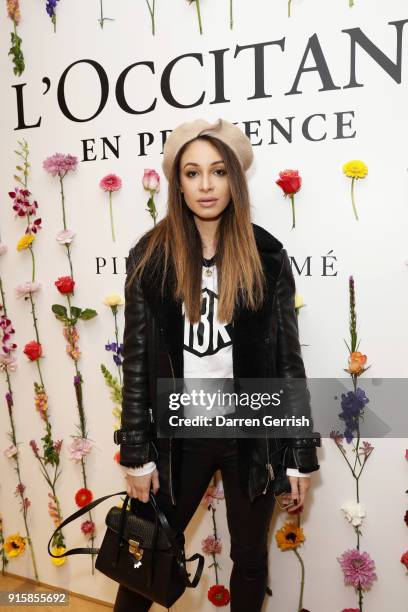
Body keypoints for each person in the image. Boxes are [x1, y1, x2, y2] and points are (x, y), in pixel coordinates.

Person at [113, 118, 321, 612]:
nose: (206, 185)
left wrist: (297, 451)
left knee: (250, 560)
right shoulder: (151, 256)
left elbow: (287, 361)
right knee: (146, 556)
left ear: (235, 179)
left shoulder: (267, 256)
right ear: (177, 181)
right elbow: (137, 363)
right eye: (192, 172)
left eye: (218, 171)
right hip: (177, 434)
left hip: (250, 430)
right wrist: (137, 453)